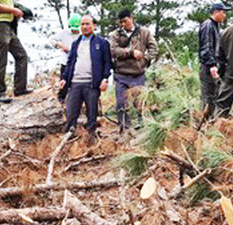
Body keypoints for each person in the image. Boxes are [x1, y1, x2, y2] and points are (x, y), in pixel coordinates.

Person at [59, 15, 112, 145]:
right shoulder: (75, 43)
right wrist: (64, 78)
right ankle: (68, 140)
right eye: (82, 24)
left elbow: (107, 63)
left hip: (92, 84)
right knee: (71, 113)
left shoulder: (101, 43)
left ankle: (91, 142)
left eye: (87, 24)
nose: (84, 27)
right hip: (75, 83)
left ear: (94, 26)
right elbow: (70, 62)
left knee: (91, 114)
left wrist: (105, 79)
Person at [108, 9, 158, 133]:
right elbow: (113, 50)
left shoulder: (144, 32)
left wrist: (145, 59)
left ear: (132, 18)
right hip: (121, 74)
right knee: (121, 103)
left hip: (138, 74)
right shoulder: (115, 34)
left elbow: (154, 48)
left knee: (139, 102)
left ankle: (141, 128)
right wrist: (130, 52)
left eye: (125, 21)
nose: (123, 24)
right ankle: (124, 129)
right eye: (120, 22)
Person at [198, 3, 229, 116]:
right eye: (223, 12)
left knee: (215, 94)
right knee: (208, 96)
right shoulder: (208, 25)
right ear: (215, 12)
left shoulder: (215, 26)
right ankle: (205, 122)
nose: (224, 15)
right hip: (208, 67)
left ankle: (212, 121)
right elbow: (206, 47)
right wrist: (212, 65)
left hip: (213, 66)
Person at [52, 13, 83, 103]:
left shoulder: (82, 35)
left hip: (78, 63)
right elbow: (52, 40)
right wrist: (61, 45)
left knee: (77, 84)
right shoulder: (64, 33)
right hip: (66, 62)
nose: (75, 31)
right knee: (64, 83)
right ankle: (61, 99)